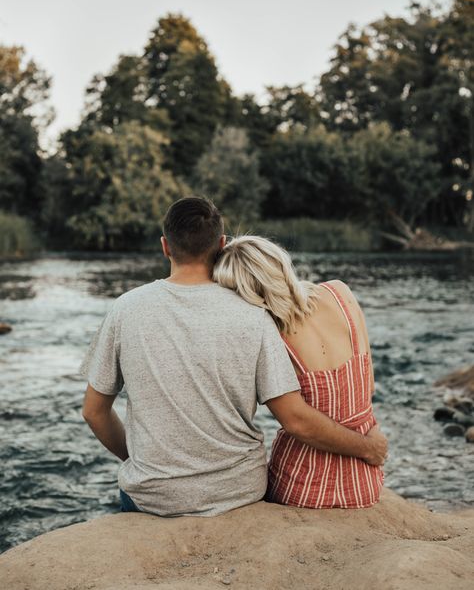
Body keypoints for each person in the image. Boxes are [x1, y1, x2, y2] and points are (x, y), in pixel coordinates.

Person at [80, 197, 387, 517]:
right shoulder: (255, 315)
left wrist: (144, 462)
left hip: (153, 496)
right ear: (221, 244)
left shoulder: (125, 309)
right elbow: (295, 417)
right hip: (240, 492)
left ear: (165, 247)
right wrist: (369, 447)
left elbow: (93, 412)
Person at [213, 235, 384, 508]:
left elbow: (298, 424)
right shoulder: (340, 293)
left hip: (302, 487)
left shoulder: (268, 336)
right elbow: (368, 388)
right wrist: (371, 446)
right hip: (364, 482)